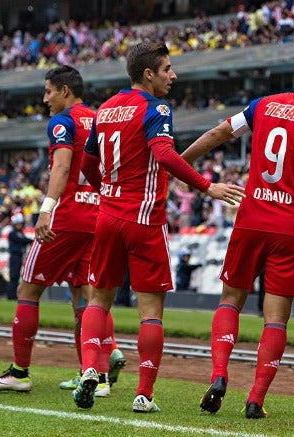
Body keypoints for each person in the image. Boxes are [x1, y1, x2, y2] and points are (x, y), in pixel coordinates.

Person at [181, 50, 294, 419]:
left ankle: (218, 375)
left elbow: (217, 133)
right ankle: (256, 400)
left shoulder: (263, 105)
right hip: (290, 228)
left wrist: (180, 166)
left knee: (230, 301)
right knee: (275, 319)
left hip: (251, 218)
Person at [75, 41, 244, 413]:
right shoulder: (156, 108)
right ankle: (144, 394)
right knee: (150, 311)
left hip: (107, 216)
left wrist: (105, 187)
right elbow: (165, 154)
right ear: (148, 74)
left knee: (98, 299)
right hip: (143, 220)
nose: (173, 75)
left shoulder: (104, 109)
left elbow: (87, 162)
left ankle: (89, 369)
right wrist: (207, 186)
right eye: (167, 69)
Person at [0, 66, 125, 397]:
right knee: (87, 297)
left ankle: (19, 372)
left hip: (68, 217)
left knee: (28, 289)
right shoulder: (101, 118)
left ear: (64, 90)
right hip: (98, 215)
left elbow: (62, 165)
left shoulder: (63, 121)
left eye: (48, 91)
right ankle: (97, 374)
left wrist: (46, 210)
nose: (44, 99)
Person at [5, 213, 33, 300]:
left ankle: (14, 295)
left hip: (19, 256)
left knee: (16, 276)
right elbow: (21, 240)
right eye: (18, 224)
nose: (20, 226)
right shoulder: (13, 234)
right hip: (14, 256)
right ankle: (11, 296)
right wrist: (31, 240)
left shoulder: (20, 233)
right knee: (13, 276)